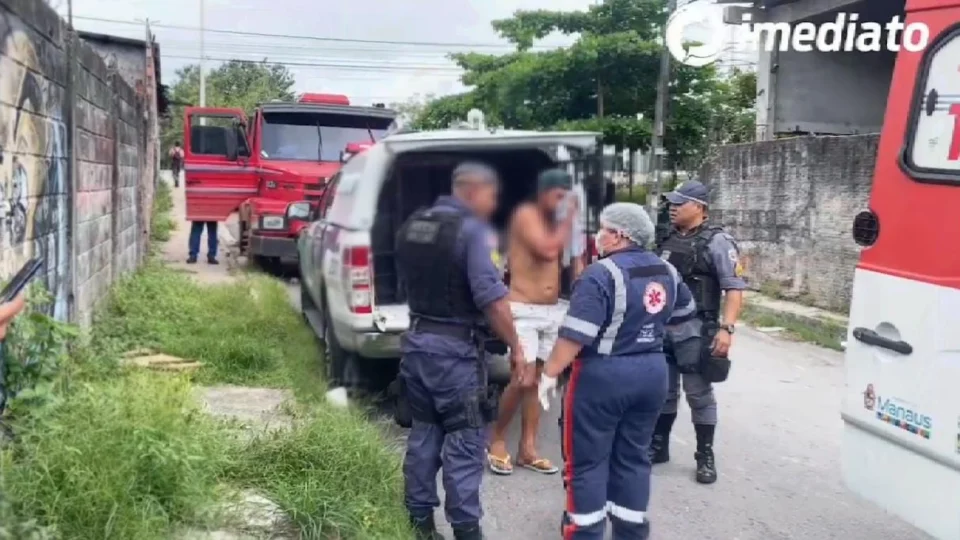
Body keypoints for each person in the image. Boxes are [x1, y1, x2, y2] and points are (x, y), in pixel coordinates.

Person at [537, 202, 696, 540]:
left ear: (620, 235)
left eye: (603, 229)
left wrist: (549, 374)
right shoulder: (667, 270)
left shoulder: (600, 274)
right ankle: (630, 533)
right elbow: (682, 316)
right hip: (653, 374)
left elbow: (574, 336)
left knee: (587, 462)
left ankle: (586, 533)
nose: (597, 237)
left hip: (603, 377)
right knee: (634, 458)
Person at [395, 161, 527, 540]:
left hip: (417, 345)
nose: (493, 203)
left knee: (424, 435)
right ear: (472, 191)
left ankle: (419, 524)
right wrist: (517, 347)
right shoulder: (470, 232)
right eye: (491, 196)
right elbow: (492, 299)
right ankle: (466, 530)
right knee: (465, 443)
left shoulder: (415, 224)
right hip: (455, 354)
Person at [651, 179, 746, 485]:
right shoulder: (665, 236)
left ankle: (704, 455)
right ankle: (659, 446)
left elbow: (734, 288)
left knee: (699, 394)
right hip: (661, 327)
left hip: (696, 328)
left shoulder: (718, 242)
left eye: (680, 202)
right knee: (664, 391)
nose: (673, 207)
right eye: (672, 202)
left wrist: (726, 329)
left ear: (699, 208)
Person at [487, 168, 580, 477]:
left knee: (541, 383)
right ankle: (497, 439)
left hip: (553, 311)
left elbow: (574, 260)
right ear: (543, 194)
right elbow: (547, 250)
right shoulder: (526, 215)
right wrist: (571, 219)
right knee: (522, 379)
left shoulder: (560, 223)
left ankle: (528, 449)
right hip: (522, 309)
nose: (564, 202)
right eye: (559, 196)